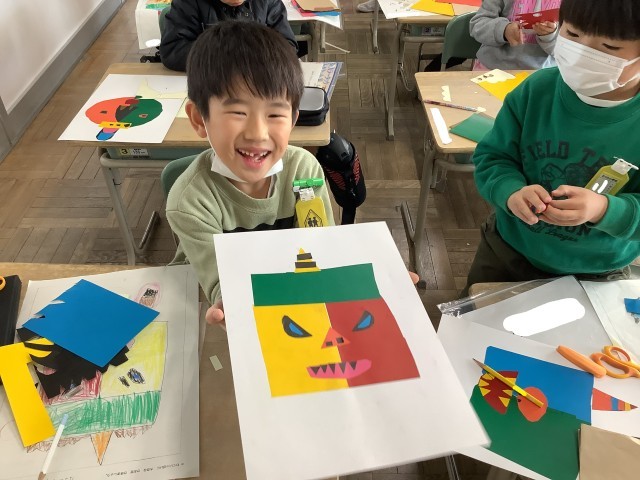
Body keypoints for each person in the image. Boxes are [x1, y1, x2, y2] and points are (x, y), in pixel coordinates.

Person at [462, 0, 640, 297]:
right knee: (474, 318)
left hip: (597, 272)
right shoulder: (537, 90)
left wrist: (605, 209)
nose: (582, 53)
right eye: (572, 34)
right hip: (508, 252)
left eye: (609, 47)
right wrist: (510, 191)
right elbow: (493, 157)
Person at [166, 21, 334, 324]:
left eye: (275, 114)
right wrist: (230, 306)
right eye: (238, 112)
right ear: (199, 119)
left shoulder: (304, 170)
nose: (258, 133)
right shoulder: (190, 201)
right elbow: (220, 284)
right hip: (211, 307)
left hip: (289, 295)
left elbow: (321, 248)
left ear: (293, 119)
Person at [159, 0, 299, 71]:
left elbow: (288, 47)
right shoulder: (188, 3)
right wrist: (228, 55)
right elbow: (172, 50)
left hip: (257, 82)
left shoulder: (268, 2)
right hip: (209, 82)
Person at [470, 0, 560, 70]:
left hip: (542, 73)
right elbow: (477, 25)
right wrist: (504, 30)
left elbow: (565, 52)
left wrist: (549, 36)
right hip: (493, 68)